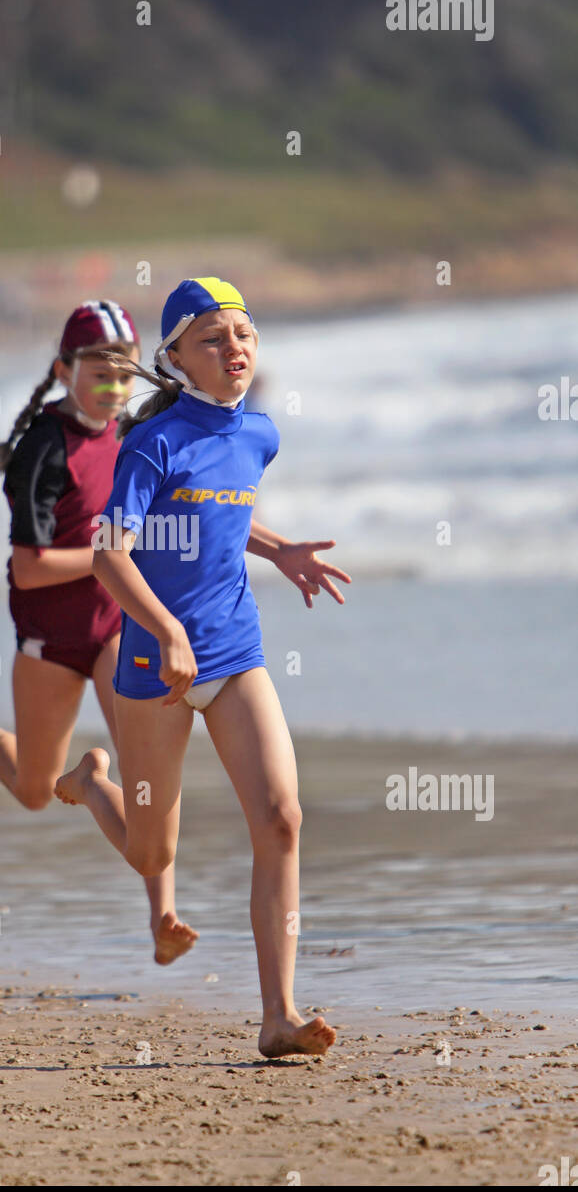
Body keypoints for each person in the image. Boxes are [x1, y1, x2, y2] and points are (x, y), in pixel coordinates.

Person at [54, 278, 352, 1057]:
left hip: (233, 651)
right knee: (153, 853)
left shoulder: (259, 434)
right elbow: (109, 553)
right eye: (214, 339)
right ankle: (91, 786)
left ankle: (278, 1017)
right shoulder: (150, 444)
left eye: (244, 334)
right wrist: (163, 631)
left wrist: (275, 546)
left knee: (282, 818)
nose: (236, 349)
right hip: (157, 666)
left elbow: (220, 505)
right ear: (176, 357)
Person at [0, 302, 199, 966]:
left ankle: (163, 916)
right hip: (49, 637)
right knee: (32, 790)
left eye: (123, 370)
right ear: (62, 371)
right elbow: (31, 566)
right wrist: (113, 554)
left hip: (115, 628)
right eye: (98, 372)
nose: (113, 385)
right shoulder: (44, 448)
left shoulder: (135, 435)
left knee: (143, 773)